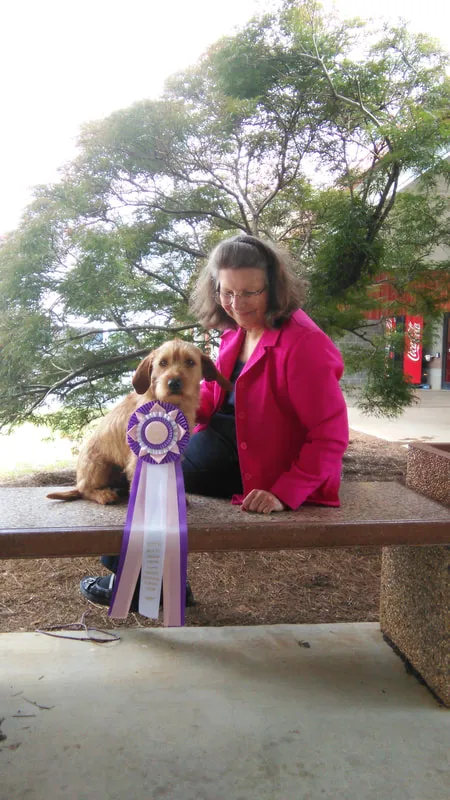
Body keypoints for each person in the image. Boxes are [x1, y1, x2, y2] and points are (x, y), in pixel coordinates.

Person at [80, 234, 349, 608]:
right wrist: (158, 414)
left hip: (262, 468)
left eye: (250, 293)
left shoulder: (305, 345)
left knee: (149, 473)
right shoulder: (236, 332)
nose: (238, 304)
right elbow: (217, 397)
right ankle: (155, 582)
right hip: (222, 445)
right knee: (148, 462)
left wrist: (284, 492)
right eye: (227, 292)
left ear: (274, 286)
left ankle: (142, 583)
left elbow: (331, 434)